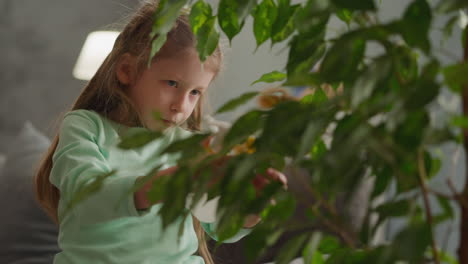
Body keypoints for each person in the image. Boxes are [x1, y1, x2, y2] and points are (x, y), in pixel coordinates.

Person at [34, 1, 287, 264]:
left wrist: (253, 208)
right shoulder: (85, 127)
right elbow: (85, 198)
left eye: (195, 92)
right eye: (172, 83)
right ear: (127, 70)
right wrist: (174, 182)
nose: (181, 105)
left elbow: (220, 226)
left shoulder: (192, 146)